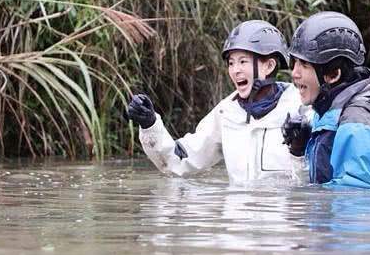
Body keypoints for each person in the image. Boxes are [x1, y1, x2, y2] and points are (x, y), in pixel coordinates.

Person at [126, 20, 305, 184]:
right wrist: (150, 124)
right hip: (237, 215)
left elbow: (317, 179)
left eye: (243, 61)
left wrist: (299, 147)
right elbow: (180, 162)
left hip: (283, 217)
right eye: (231, 63)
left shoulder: (301, 107)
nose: (235, 70)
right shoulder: (226, 112)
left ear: (269, 66)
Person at [282, 11, 370, 190]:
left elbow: (355, 204)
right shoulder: (328, 108)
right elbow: (321, 179)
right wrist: (300, 149)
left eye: (304, 65)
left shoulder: (357, 126)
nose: (294, 73)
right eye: (294, 63)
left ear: (333, 74)